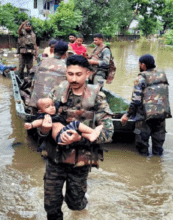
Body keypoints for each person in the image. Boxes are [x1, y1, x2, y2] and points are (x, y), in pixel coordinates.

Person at [38, 55, 114, 219]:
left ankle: (82, 203)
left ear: (88, 73)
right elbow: (43, 124)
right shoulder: (56, 92)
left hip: (79, 162)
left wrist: (80, 138)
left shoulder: (97, 97)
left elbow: (108, 131)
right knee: (51, 206)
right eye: (70, 73)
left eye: (78, 74)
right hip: (55, 158)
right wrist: (44, 129)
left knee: (75, 204)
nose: (73, 78)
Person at [120, 54, 171, 156]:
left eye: (139, 64)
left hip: (144, 117)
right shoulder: (162, 74)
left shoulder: (141, 77)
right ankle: (157, 166)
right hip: (161, 114)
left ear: (143, 65)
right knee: (158, 147)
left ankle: (144, 165)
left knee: (142, 147)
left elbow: (136, 100)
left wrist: (127, 115)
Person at [24, 98, 103, 145]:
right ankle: (93, 131)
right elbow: (38, 122)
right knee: (76, 124)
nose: (52, 108)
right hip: (60, 135)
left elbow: (58, 103)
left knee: (76, 130)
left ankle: (89, 136)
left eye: (52, 105)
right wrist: (31, 125)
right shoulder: (45, 117)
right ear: (40, 111)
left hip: (64, 134)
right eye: (48, 107)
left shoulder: (55, 114)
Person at [28, 40, 69, 108]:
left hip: (35, 103)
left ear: (53, 51)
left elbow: (31, 75)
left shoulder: (42, 61)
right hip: (54, 107)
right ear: (66, 53)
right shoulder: (67, 67)